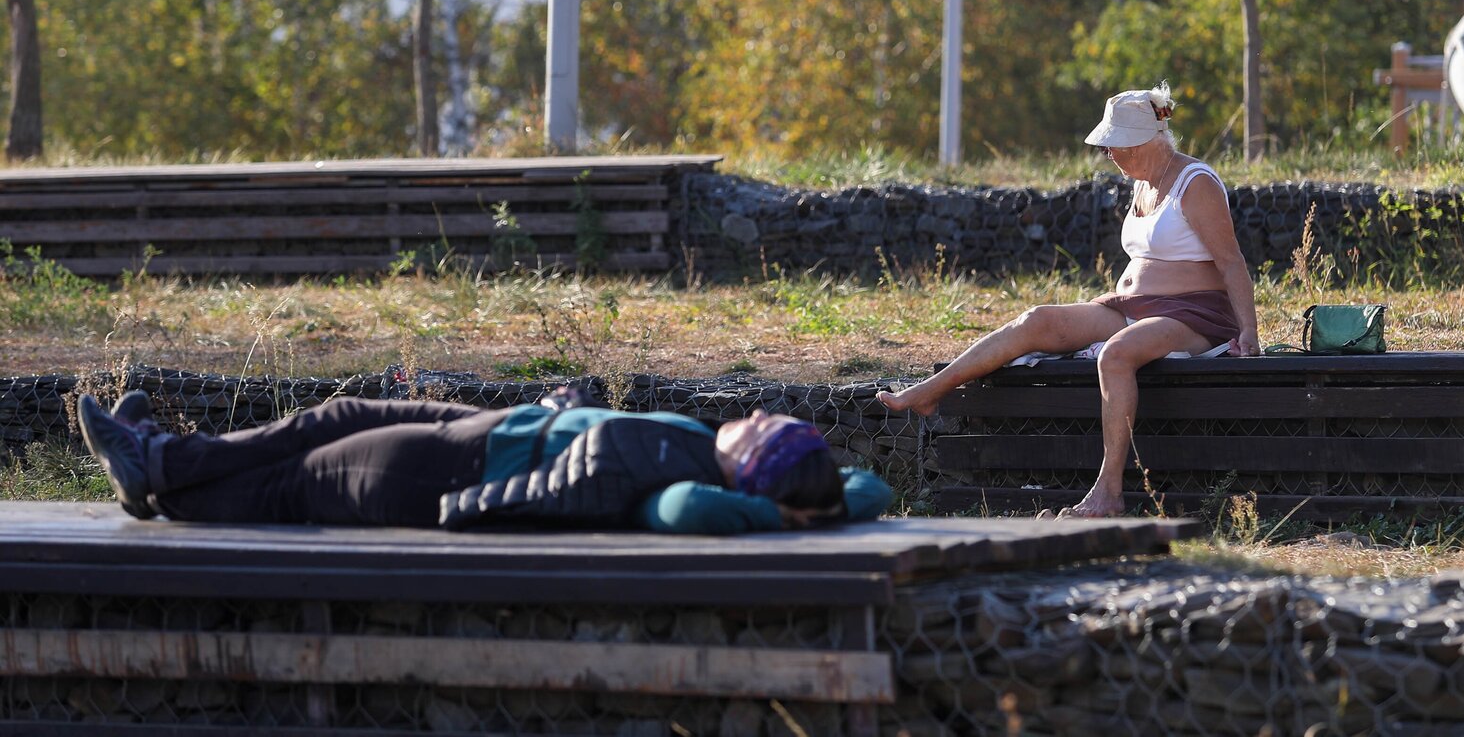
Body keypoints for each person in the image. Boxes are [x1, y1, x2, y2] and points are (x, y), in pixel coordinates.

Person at [879, 84, 1259, 519]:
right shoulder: (1142, 184)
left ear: (1149, 140)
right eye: (1108, 147)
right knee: (1036, 320)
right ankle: (932, 390)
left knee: (1116, 356)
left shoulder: (1196, 183)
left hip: (1195, 314)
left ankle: (1108, 492)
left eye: (1118, 146)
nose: (1111, 156)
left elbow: (1231, 262)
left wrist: (1248, 330)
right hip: (1132, 307)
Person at [76, 386, 891, 533]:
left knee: (302, 483)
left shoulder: (688, 488)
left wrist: (772, 514)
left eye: (760, 425)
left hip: (460, 474)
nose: (750, 411)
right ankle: (164, 459)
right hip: (499, 430)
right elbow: (870, 484)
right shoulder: (732, 469)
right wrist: (820, 506)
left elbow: (687, 515)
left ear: (750, 470)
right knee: (335, 416)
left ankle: (160, 474)